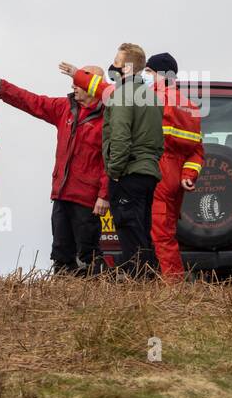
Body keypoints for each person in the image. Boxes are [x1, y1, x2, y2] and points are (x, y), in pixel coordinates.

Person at [0, 66, 109, 275]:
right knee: (60, 253)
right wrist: (1, 86)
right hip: (61, 194)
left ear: (95, 86)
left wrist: (103, 195)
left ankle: (95, 299)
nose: (73, 85)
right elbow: (33, 101)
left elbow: (109, 162)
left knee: (89, 254)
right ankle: (62, 298)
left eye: (79, 82)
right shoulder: (65, 107)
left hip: (87, 200)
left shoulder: (109, 118)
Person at [60, 43, 163, 276]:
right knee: (143, 230)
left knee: (129, 231)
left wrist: (114, 173)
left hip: (128, 173)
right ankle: (147, 278)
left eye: (116, 63)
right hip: (148, 172)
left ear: (126, 67)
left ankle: (138, 281)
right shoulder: (151, 96)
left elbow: (120, 137)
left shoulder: (122, 95)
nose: (112, 66)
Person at [144, 53, 203, 280]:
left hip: (156, 171)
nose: (145, 77)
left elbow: (110, 95)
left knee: (160, 235)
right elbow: (197, 150)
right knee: (165, 232)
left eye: (149, 72)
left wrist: (79, 76)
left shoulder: (153, 99)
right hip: (174, 177)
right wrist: (188, 174)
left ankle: (173, 286)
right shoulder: (189, 106)